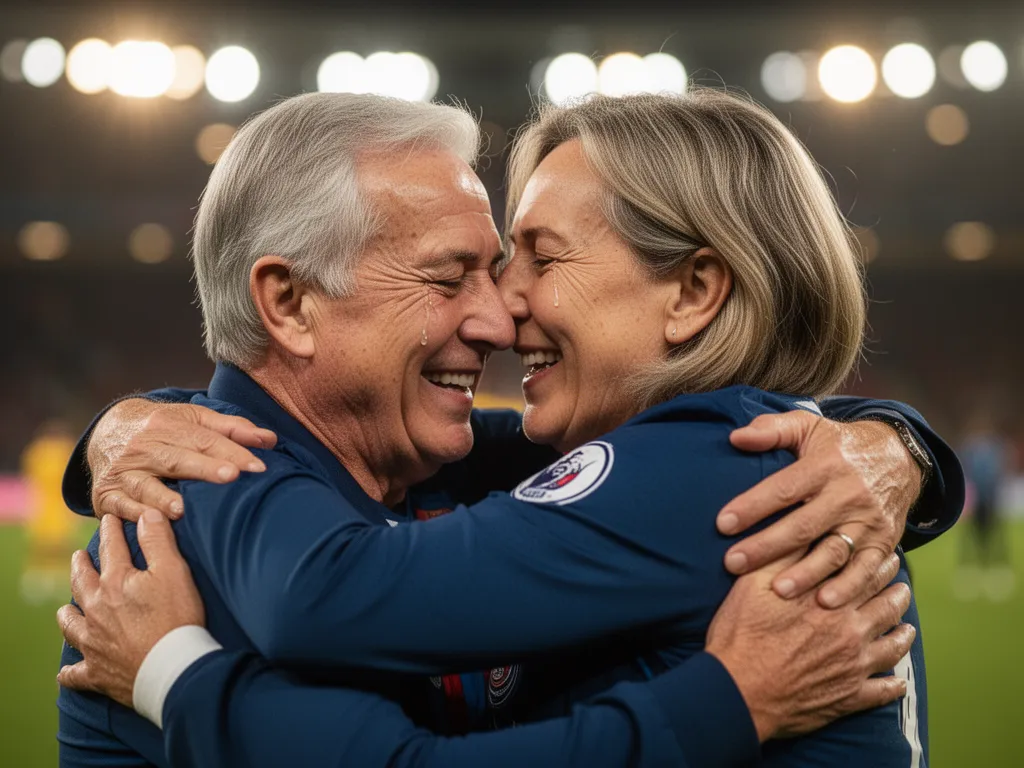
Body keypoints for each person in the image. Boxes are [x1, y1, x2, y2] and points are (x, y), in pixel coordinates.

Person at [56, 91, 959, 767]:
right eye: (455, 277)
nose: (496, 317)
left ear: (693, 293)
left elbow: (332, 604)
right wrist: (120, 429)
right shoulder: (173, 535)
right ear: (288, 304)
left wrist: (171, 668)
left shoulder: (734, 465)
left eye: (532, 259)